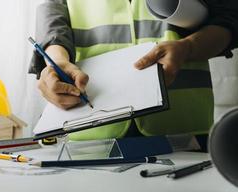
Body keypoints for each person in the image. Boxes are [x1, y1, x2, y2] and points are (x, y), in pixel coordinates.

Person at [29, 0, 238, 146]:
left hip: (184, 129)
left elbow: (229, 18)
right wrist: (56, 63)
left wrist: (189, 47)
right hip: (92, 130)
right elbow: (54, 20)